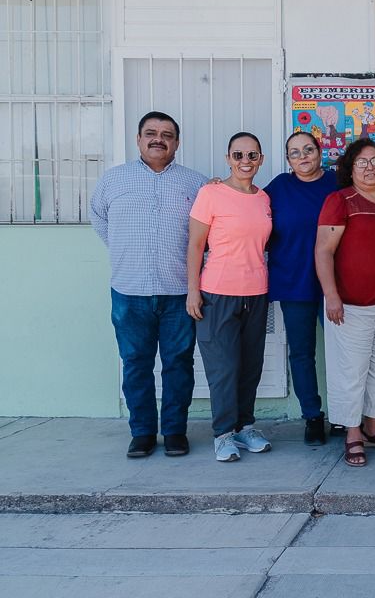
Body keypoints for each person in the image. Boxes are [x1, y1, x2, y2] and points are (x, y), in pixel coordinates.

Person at [90, 111, 207, 458]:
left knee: (178, 364)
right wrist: (129, 251)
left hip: (179, 293)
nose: (159, 139)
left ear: (177, 142)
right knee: (136, 364)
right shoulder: (114, 180)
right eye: (151, 133)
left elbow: (208, 233)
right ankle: (141, 433)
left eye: (167, 134)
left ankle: (174, 432)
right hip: (129, 291)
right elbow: (99, 218)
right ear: (139, 139)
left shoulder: (196, 183)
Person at [315, 138, 375, 468]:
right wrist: (332, 296)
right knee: (351, 371)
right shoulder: (340, 200)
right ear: (349, 168)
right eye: (362, 162)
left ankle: (372, 427)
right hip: (351, 303)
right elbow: (323, 251)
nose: (370, 168)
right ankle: (353, 433)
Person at [186, 132, 274, 462]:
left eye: (252, 155)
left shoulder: (263, 199)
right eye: (238, 155)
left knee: (250, 366)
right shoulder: (210, 193)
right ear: (228, 159)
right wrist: (193, 291)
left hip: (256, 292)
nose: (245, 162)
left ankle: (245, 427)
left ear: (261, 159)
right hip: (217, 293)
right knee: (223, 368)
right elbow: (195, 245)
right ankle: (223, 434)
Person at [264, 131, 339, 446]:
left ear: (320, 151)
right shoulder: (279, 187)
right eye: (295, 153)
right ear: (288, 159)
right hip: (294, 281)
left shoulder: (338, 183)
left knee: (343, 353)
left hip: (337, 283)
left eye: (308, 149)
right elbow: (245, 203)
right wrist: (219, 186)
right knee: (302, 353)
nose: (303, 156)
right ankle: (312, 415)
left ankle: (345, 417)